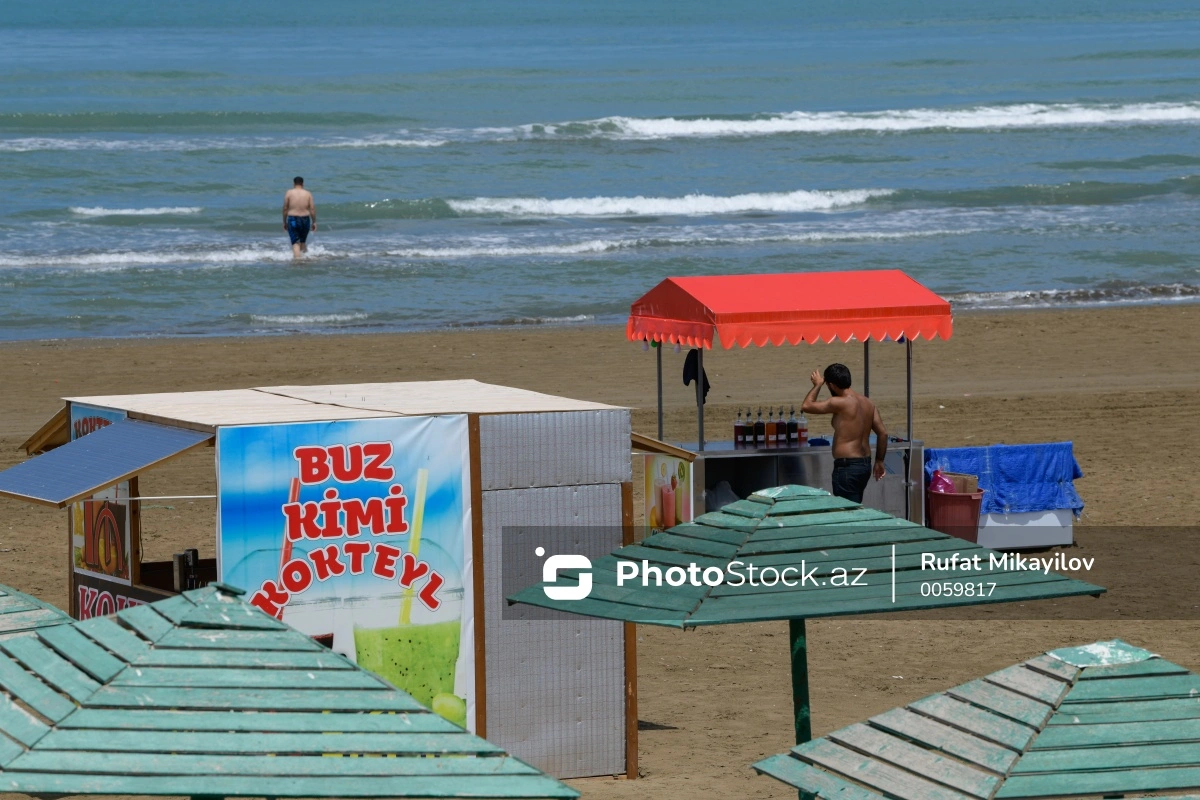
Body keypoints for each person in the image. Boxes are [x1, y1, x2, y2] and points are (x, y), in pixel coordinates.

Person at [801, 363, 887, 503]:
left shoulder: (839, 402)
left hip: (848, 467)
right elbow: (883, 433)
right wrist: (879, 461)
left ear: (832, 385)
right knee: (855, 507)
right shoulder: (868, 403)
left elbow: (807, 406)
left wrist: (817, 385)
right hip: (864, 465)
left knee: (848, 512)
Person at [282, 176, 316, 258]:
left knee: (295, 243)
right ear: (302, 184)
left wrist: (284, 222)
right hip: (305, 219)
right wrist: (314, 222)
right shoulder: (308, 194)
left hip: (293, 219)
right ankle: (305, 259)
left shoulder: (289, 193)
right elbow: (312, 209)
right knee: (303, 242)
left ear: (294, 184)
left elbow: (285, 208)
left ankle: (298, 262)